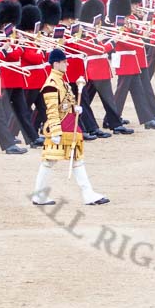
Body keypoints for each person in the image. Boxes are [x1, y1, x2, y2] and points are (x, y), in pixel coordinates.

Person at [30, 50, 108, 207]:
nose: (67, 64)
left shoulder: (61, 81)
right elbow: (51, 110)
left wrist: (74, 109)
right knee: (50, 161)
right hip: (60, 127)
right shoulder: (52, 84)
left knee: (76, 159)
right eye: (64, 62)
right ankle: (40, 195)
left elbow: (64, 103)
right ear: (56, 63)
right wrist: (56, 131)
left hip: (69, 124)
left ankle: (87, 194)